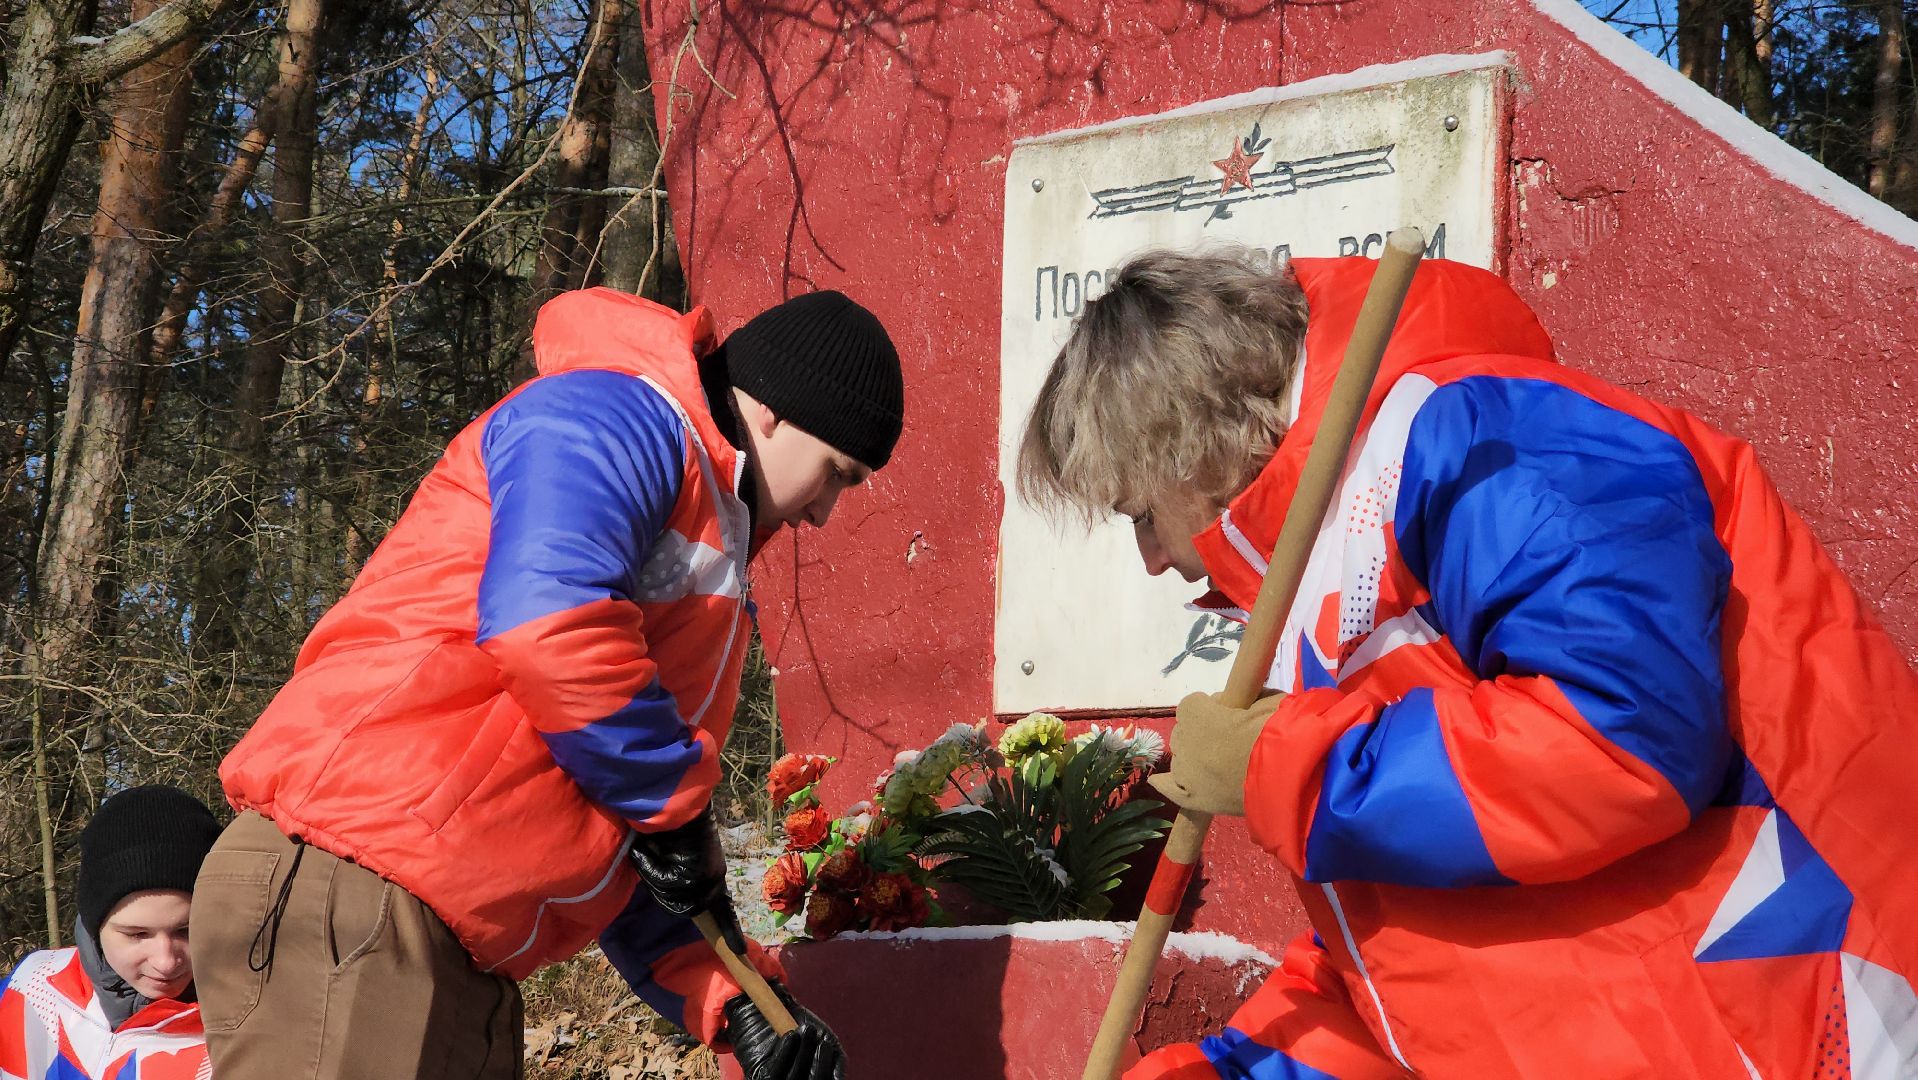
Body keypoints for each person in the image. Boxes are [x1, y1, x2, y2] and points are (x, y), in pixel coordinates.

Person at [1018, 247, 1918, 1078]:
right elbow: (1402, 976)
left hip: (1807, 1015)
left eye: (1141, 514)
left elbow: (1624, 733)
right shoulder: (1325, 570)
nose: (1150, 559)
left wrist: (1291, 770)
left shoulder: (1470, 435)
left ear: (1187, 444)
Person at [191, 287, 903, 1080]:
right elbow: (548, 622)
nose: (824, 514)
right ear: (771, 410)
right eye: (836, 473)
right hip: (356, 893)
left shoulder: (710, 544)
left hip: (448, 945)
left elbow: (629, 822)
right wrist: (674, 807)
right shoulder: (614, 416)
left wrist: (735, 996)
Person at [2, 785, 224, 1080]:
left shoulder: (236, 1037)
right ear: (96, 926)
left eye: (186, 931)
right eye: (137, 934)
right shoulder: (31, 988)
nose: (166, 962)